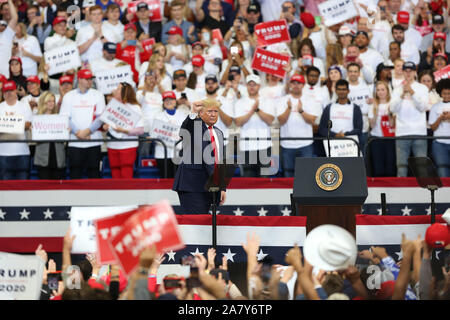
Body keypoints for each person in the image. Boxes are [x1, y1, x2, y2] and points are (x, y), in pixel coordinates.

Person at [172, 99, 226, 214]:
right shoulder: (195, 126)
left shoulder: (218, 132)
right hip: (192, 186)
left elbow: (219, 162)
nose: (213, 114)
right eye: (209, 111)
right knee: (195, 224)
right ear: (200, 113)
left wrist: (222, 187)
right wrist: (193, 113)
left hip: (209, 187)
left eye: (215, 111)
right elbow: (183, 131)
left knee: (203, 225)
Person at [59, 69, 106, 179]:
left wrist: (86, 132)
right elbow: (65, 118)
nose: (90, 81)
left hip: (93, 141)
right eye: (87, 79)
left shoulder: (98, 95)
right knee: (75, 174)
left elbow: (100, 117)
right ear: (79, 79)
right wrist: (78, 133)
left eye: (91, 79)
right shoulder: (69, 96)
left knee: (94, 175)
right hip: (75, 142)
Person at [277, 74, 321, 177]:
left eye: (299, 83)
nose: (296, 85)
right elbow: (281, 121)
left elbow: (312, 121)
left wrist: (301, 110)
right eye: (293, 83)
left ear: (303, 85)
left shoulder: (310, 100)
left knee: (307, 176)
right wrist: (288, 108)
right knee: (288, 175)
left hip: (305, 144)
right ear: (290, 84)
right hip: (287, 145)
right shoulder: (283, 100)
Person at [390, 61, 429, 177]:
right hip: (402, 132)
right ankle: (400, 194)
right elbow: (392, 108)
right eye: (405, 71)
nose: (408, 73)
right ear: (402, 72)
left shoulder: (422, 88)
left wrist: (411, 92)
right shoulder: (397, 89)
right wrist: (402, 94)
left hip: (419, 132)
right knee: (401, 167)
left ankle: (424, 194)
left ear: (414, 72)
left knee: (421, 167)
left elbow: (423, 107)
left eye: (410, 71)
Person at [234, 74, 275, 177]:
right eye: (249, 84)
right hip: (246, 147)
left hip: (264, 146)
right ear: (246, 86)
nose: (252, 87)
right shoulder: (240, 102)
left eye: (254, 84)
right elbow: (238, 122)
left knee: (265, 181)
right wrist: (252, 111)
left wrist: (258, 110)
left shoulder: (267, 101)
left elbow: (270, 120)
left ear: (259, 86)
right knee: (248, 183)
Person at [102, 83, 144, 179]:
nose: (115, 90)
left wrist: (125, 131)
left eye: (118, 89)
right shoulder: (112, 105)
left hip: (128, 145)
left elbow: (140, 130)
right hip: (112, 145)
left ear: (125, 92)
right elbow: (105, 123)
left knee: (126, 173)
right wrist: (106, 126)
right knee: (114, 172)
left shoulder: (135, 107)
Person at [318, 79, 363, 155]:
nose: (341, 92)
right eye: (339, 89)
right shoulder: (329, 107)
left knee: (351, 166)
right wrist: (335, 135)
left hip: (350, 144)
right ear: (335, 90)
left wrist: (345, 135)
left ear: (348, 91)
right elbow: (322, 128)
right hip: (332, 144)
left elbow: (359, 129)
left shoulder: (355, 108)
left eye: (344, 89)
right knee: (333, 166)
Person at [0, 80, 32, 180]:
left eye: (11, 91)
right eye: (6, 91)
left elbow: (28, 124)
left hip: (22, 152)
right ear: (3, 94)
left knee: (23, 188)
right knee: (5, 189)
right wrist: (17, 124)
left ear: (16, 92)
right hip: (3, 153)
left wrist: (6, 125)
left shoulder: (24, 105)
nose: (9, 93)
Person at [151, 91, 187, 178]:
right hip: (162, 154)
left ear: (175, 101)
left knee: (179, 181)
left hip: (179, 154)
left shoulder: (183, 115)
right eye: (166, 100)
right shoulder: (158, 116)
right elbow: (154, 136)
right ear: (163, 103)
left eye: (171, 99)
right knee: (165, 181)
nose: (168, 102)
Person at [33, 91, 66, 179]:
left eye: (53, 101)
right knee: (44, 187)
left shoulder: (60, 118)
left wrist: (66, 132)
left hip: (58, 156)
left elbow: (64, 139)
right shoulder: (37, 118)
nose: (52, 103)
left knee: (58, 188)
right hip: (43, 156)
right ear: (43, 102)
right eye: (49, 101)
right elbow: (34, 139)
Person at [368, 81, 397, 177]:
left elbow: (392, 124)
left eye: (383, 89)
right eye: (378, 90)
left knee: (390, 166)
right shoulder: (372, 105)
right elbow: (372, 125)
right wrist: (376, 111)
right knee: (378, 166)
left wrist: (389, 114)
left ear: (388, 91)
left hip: (390, 139)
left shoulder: (392, 104)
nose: (380, 92)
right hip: (376, 138)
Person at [429, 78, 450, 177]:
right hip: (439, 144)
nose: (446, 96)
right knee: (442, 171)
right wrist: (440, 118)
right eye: (444, 93)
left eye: (449, 93)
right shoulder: (435, 107)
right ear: (440, 93)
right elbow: (433, 128)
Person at [0, 0, 18, 78]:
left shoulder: (7, 34)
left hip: (5, 75)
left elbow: (14, 18)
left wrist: (10, 1)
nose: (1, 26)